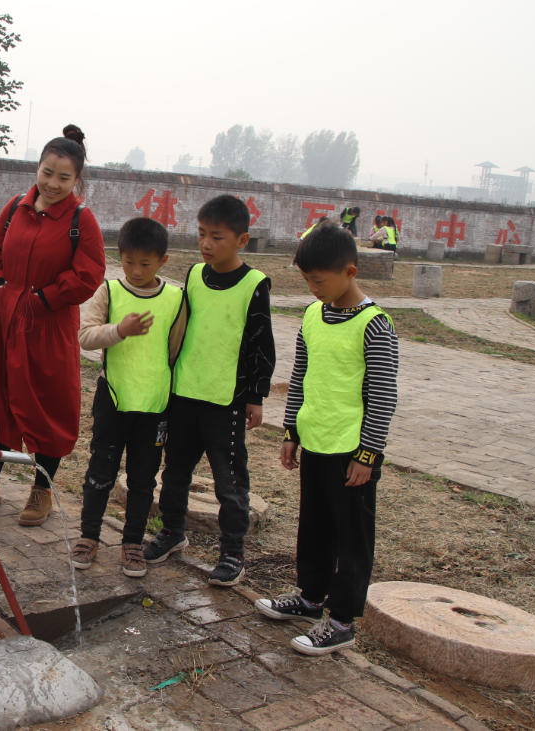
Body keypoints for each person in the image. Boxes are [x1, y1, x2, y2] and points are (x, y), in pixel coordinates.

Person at [255, 222, 398, 655]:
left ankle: (342, 620)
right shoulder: (314, 314)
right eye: (307, 280)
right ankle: (310, 598)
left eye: (320, 280)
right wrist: (291, 431)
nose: (313, 288)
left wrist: (368, 454)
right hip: (315, 441)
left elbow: (383, 396)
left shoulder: (375, 325)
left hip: (351, 452)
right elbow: (300, 375)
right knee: (314, 526)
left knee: (352, 537)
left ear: (350, 272)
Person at [0, 125, 106, 527]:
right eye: (46, 172)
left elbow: (90, 273)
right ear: (37, 168)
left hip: (50, 327)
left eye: (63, 177)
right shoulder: (17, 205)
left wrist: (44, 298)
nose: (52, 183)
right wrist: (0, 285)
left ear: (76, 180)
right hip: (7, 320)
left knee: (50, 405)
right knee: (0, 399)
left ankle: (42, 488)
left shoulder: (82, 221)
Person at [144, 195, 275, 587]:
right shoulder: (195, 275)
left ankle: (232, 552)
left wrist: (255, 396)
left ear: (242, 241)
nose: (206, 244)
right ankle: (172, 531)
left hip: (226, 400)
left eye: (216, 237)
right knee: (176, 470)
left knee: (229, 481)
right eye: (202, 234)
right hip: (185, 391)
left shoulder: (254, 285)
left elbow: (260, 344)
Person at [71, 217, 184, 578]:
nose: (136, 271)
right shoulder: (110, 291)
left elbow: (174, 349)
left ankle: (132, 542)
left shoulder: (175, 298)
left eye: (145, 264)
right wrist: (119, 330)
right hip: (114, 399)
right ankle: (89, 536)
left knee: (143, 477)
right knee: (100, 469)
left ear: (162, 261)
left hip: (153, 405)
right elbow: (85, 336)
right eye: (129, 262)